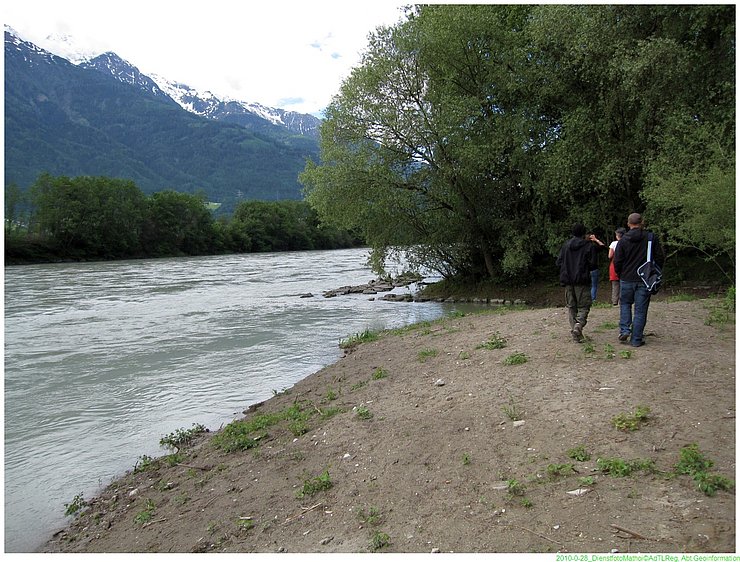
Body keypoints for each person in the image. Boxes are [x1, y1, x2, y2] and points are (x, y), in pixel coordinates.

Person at [613, 213, 665, 347]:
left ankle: (624, 330)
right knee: (640, 310)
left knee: (625, 304)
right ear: (642, 222)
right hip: (645, 278)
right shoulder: (650, 238)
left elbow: (617, 260)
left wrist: (620, 274)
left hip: (626, 278)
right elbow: (659, 257)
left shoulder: (623, 240)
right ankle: (636, 339)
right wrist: (655, 272)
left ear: (628, 224)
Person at [556, 223, 598, 343]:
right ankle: (579, 325)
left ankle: (575, 330)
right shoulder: (588, 246)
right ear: (584, 233)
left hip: (568, 280)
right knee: (584, 305)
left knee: (571, 306)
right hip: (582, 280)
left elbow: (559, 262)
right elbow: (593, 264)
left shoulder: (565, 246)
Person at [608, 227, 626, 306]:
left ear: (617, 235)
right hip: (625, 265)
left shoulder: (614, 243)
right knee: (624, 283)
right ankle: (623, 300)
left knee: (615, 284)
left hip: (615, 264)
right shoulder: (627, 242)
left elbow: (610, 255)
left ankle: (615, 301)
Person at [588, 233, 606, 301]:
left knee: (586, 285)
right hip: (594, 268)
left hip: (585, 269)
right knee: (594, 285)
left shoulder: (582, 247)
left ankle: (586, 299)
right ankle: (593, 299)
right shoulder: (593, 247)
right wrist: (596, 240)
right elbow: (603, 247)